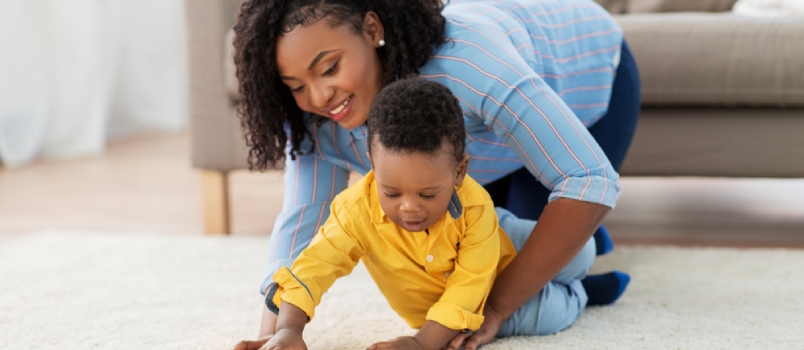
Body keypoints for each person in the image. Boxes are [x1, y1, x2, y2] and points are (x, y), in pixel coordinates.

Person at [231, 0, 640, 349]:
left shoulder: (467, 62)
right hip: (479, 153)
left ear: (372, 29)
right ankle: (582, 254)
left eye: (330, 68)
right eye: (296, 86)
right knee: (471, 242)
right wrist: (276, 331)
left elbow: (588, 179)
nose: (319, 97)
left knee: (535, 238)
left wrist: (492, 311)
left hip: (587, 73)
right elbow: (304, 226)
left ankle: (586, 242)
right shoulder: (316, 122)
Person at [262, 78, 598, 350]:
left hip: (492, 237)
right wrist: (289, 328)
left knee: (584, 251)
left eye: (427, 194)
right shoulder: (354, 210)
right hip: (471, 304)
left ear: (459, 172)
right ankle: (586, 292)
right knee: (558, 308)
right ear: (373, 167)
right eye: (391, 192)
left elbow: (470, 278)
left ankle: (577, 269)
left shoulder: (474, 205)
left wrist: (419, 346)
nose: (409, 207)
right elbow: (314, 266)